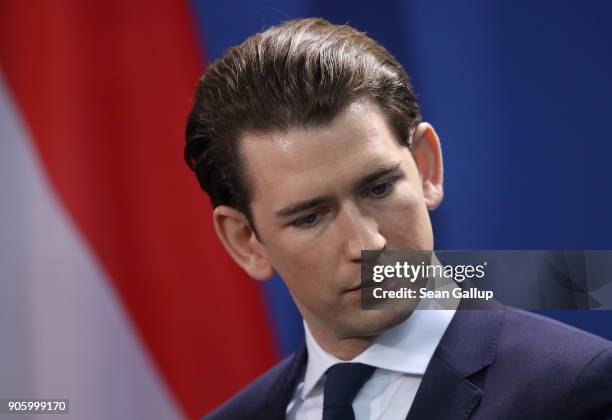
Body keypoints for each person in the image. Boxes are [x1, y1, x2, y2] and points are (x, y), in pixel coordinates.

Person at [184, 18, 612, 420]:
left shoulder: (577, 388)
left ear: (425, 168)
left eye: (379, 189)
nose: (367, 244)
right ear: (246, 241)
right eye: (311, 217)